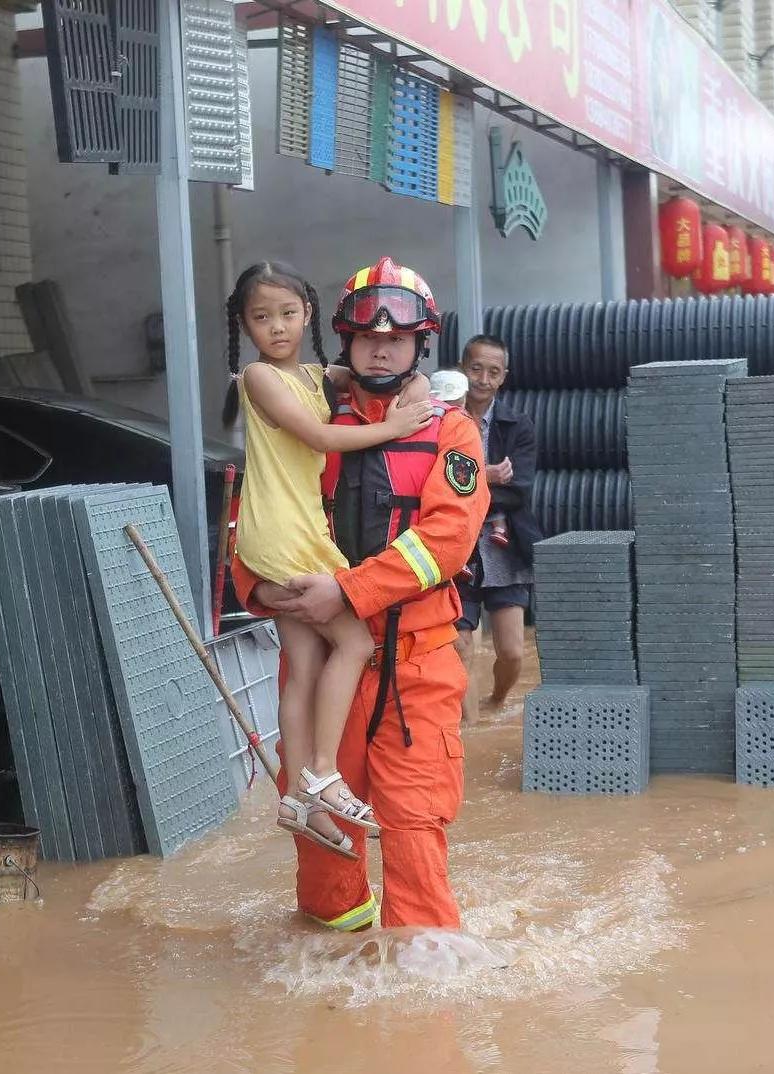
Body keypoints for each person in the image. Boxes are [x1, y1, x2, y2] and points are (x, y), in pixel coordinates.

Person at [231, 256, 489, 930]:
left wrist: (346, 592)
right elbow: (265, 514)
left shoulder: (452, 431)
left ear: (418, 345)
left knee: (413, 820)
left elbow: (447, 538)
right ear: (344, 339)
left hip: (415, 663)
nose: (381, 346)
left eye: (397, 338)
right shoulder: (307, 412)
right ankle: (327, 956)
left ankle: (420, 971)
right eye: (369, 337)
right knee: (318, 830)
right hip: (321, 658)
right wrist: (263, 587)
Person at [223, 260, 434, 860]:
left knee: (305, 658)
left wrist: (416, 387)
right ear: (243, 324)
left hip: (280, 532)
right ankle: (322, 773)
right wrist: (393, 427)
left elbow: (380, 368)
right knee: (356, 644)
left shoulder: (319, 376)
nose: (277, 328)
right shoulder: (257, 377)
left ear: (310, 315)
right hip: (285, 534)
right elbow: (323, 439)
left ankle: (293, 798)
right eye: (261, 318)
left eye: (289, 314)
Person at [454, 334, 542, 720]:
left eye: (493, 372)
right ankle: (469, 734)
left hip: (505, 545)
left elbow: (519, 491)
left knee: (512, 651)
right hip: (457, 545)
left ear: (504, 376)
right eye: (476, 369)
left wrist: (468, 486)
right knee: (460, 646)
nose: (483, 379)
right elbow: (431, 483)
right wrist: (486, 477)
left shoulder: (517, 425)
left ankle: (498, 701)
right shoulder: (441, 417)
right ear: (462, 368)